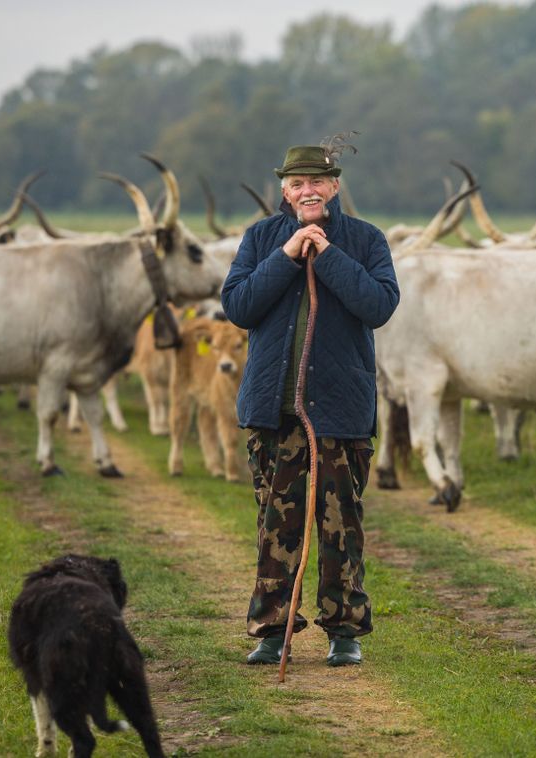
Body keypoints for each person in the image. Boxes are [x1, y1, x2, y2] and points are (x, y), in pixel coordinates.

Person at [220, 138, 399, 667]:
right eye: (297, 183)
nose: (308, 190)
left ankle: (345, 632)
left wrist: (328, 255)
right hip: (275, 410)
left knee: (341, 523)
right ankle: (273, 631)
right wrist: (287, 255)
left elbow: (379, 304)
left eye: (317, 182)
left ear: (335, 186)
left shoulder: (365, 240)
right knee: (277, 523)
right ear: (284, 190)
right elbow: (239, 306)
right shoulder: (262, 239)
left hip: (340, 409)